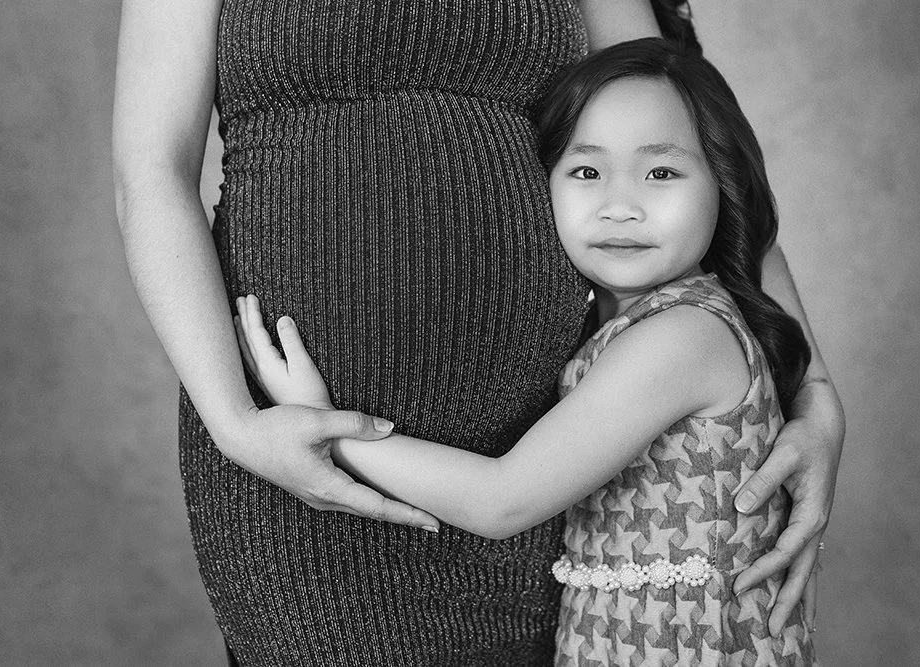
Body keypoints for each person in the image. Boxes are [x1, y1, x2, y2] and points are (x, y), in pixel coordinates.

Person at [112, 0, 843, 662]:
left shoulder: (676, 343)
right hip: (292, 441)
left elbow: (697, 130)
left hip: (538, 453)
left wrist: (814, 394)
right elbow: (149, 172)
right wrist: (236, 422)